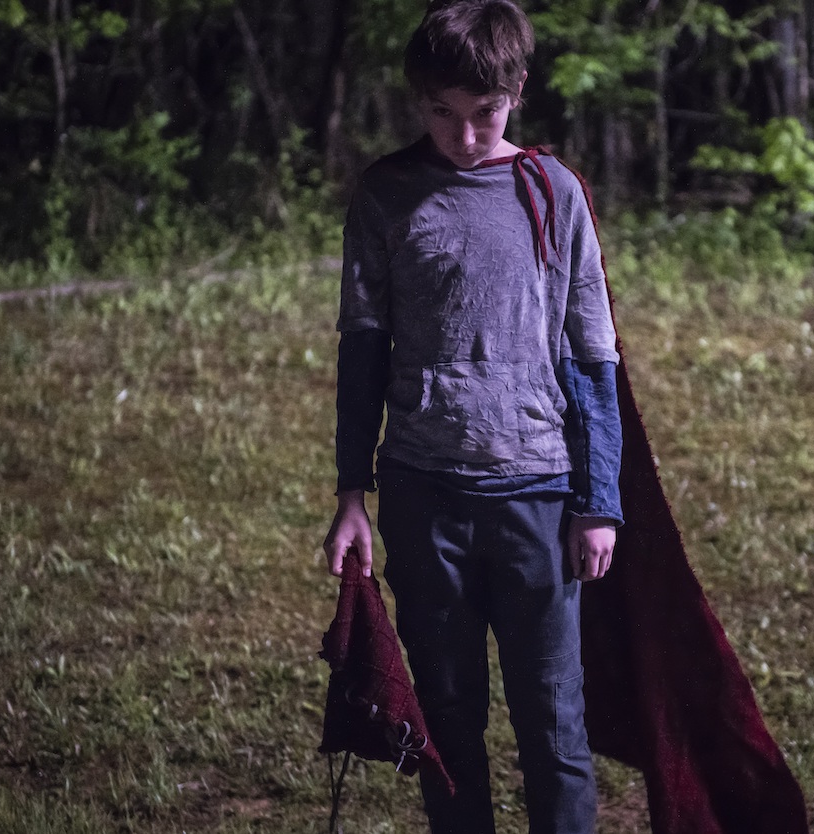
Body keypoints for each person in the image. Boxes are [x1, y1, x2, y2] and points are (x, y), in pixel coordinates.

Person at [321, 1, 623, 832]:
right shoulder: (386, 194)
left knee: (553, 725)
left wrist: (599, 502)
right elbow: (363, 348)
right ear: (418, 100)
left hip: (537, 494)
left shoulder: (553, 193)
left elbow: (592, 356)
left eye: (484, 112)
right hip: (424, 498)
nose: (462, 136)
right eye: (440, 112)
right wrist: (352, 492)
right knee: (448, 724)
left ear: (517, 89)